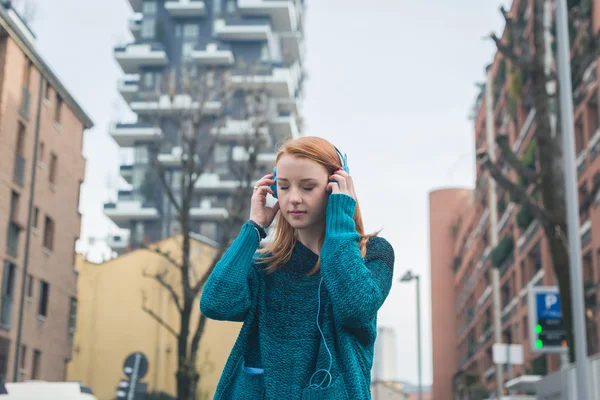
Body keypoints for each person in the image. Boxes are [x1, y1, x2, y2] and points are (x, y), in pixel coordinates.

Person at [200, 136, 395, 399]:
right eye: (283, 187)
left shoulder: (372, 254)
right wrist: (253, 229)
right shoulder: (266, 266)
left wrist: (340, 222)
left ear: (336, 187)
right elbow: (216, 303)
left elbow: (355, 308)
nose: (293, 199)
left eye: (307, 187)